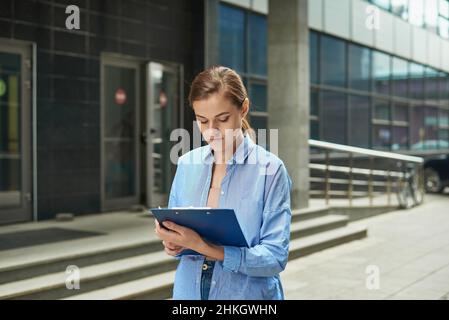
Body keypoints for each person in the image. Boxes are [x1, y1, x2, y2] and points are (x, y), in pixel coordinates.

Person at [154, 66, 292, 300]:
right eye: (202, 121)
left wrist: (205, 247)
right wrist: (173, 242)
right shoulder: (187, 164)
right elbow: (176, 236)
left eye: (222, 119)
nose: (211, 132)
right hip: (190, 293)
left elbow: (275, 257)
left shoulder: (270, 170)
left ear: (244, 108)